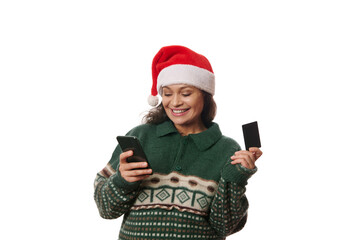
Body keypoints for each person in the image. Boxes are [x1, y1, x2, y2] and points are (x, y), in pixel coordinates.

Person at [94, 45, 263, 240]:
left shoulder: (226, 149)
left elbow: (224, 226)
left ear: (205, 96)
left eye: (185, 93)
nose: (174, 103)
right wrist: (123, 181)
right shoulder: (141, 136)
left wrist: (236, 178)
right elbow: (106, 209)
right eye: (167, 94)